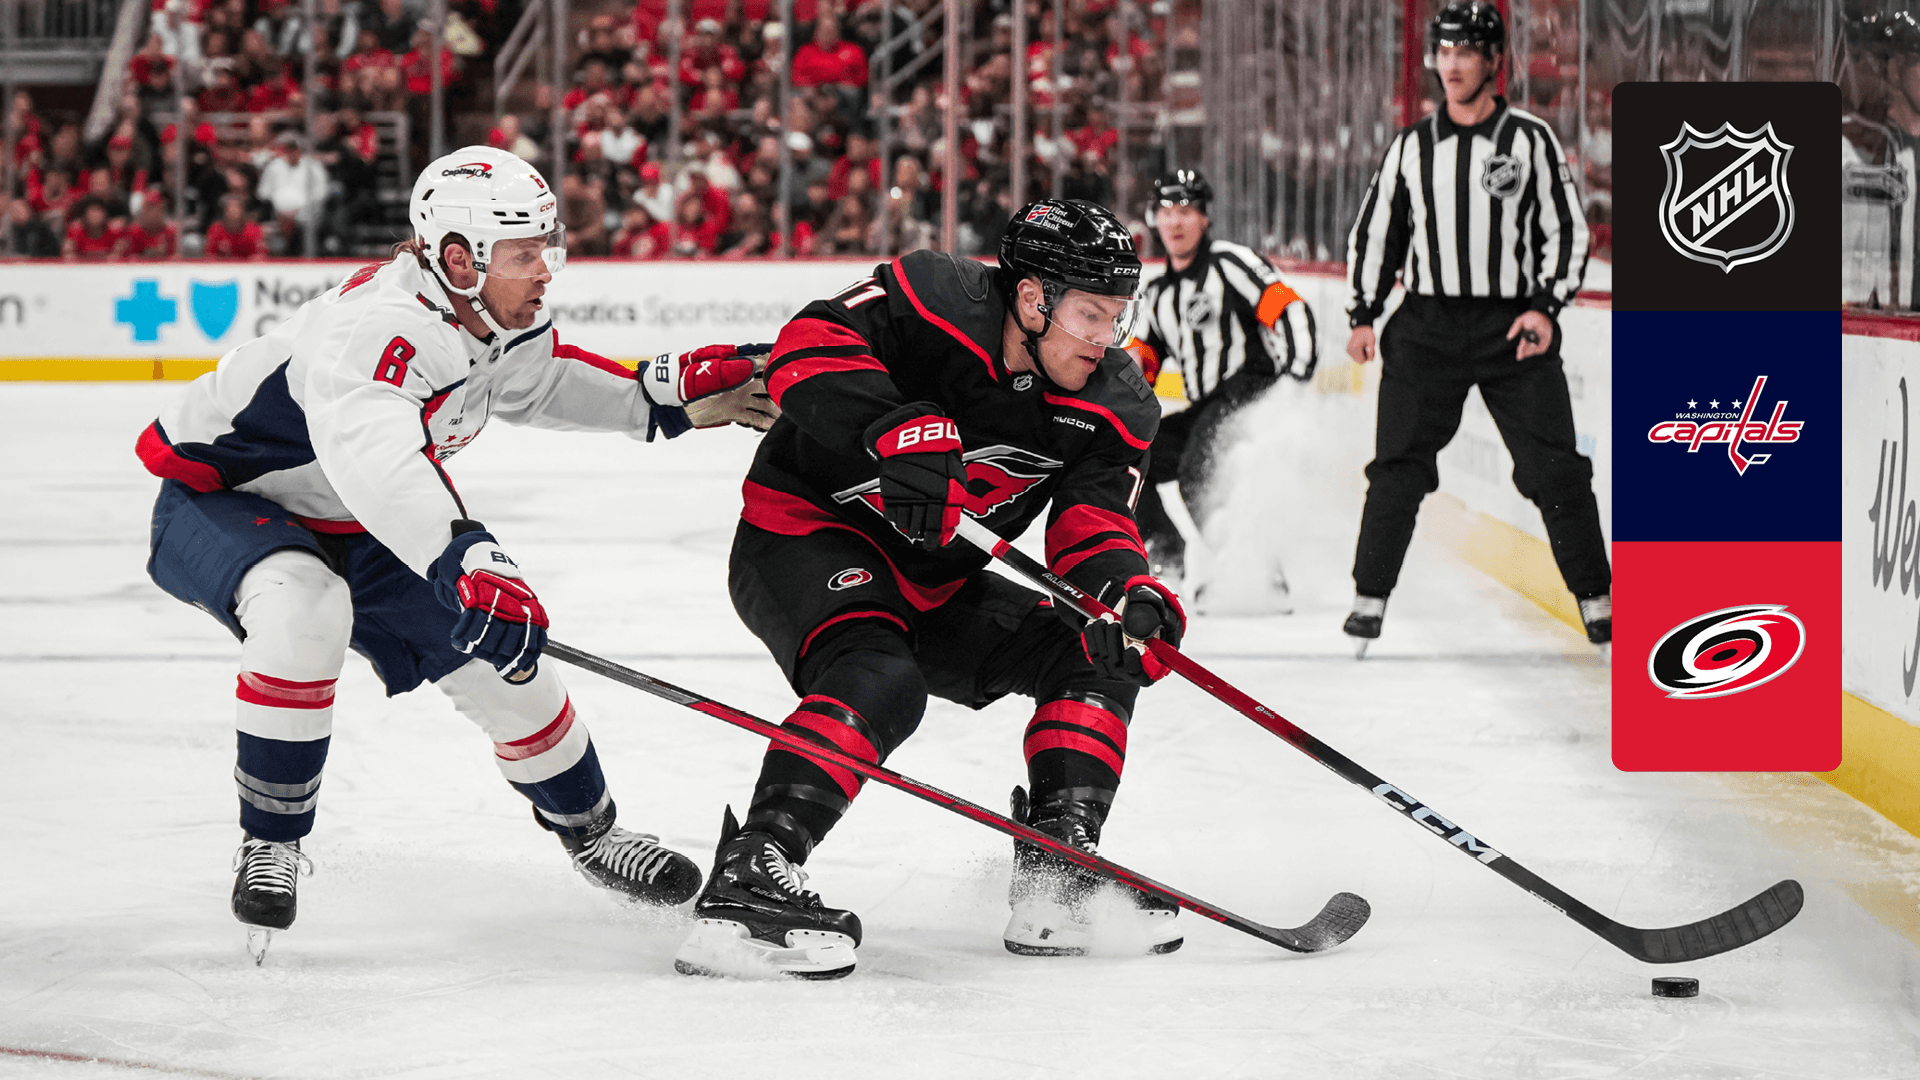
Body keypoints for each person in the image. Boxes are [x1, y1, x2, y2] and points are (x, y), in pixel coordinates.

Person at [133, 146, 779, 963]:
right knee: (304, 609)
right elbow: (379, 462)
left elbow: (541, 383)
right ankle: (272, 839)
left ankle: (592, 834)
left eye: (546, 247)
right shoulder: (375, 329)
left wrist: (663, 400)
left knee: (508, 667)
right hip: (224, 500)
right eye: (523, 254)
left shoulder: (492, 313)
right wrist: (468, 558)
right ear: (459, 259)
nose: (544, 270)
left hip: (358, 519)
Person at [672, 199, 1186, 981]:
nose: (1104, 338)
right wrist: (893, 424)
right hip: (804, 536)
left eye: (1117, 317)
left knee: (1094, 650)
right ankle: (753, 872)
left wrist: (1121, 594)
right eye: (1090, 314)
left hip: (934, 583)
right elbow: (806, 346)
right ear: (1033, 298)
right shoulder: (933, 298)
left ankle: (1058, 869)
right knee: (879, 676)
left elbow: (1095, 522)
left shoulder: (1114, 400)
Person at [1343, 2, 1606, 656]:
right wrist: (1363, 313)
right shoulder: (1411, 147)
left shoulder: (1530, 140)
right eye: (1443, 51)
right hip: (1426, 326)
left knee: (1556, 470)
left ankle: (1599, 604)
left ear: (1493, 60)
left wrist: (1544, 307)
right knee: (1397, 470)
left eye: (1465, 51)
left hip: (1511, 326)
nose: (1451, 64)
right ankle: (1368, 602)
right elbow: (1377, 234)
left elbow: (1567, 232)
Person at [1129, 168, 1317, 595]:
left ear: (1205, 218)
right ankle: (1166, 553)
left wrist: (1295, 378)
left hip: (1249, 391)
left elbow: (1288, 308)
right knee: (1132, 454)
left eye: (1186, 210)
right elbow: (1143, 366)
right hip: (1205, 406)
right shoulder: (1157, 295)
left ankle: (1254, 572)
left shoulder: (1230, 263)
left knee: (1199, 467)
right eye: (1166, 211)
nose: (1175, 221)